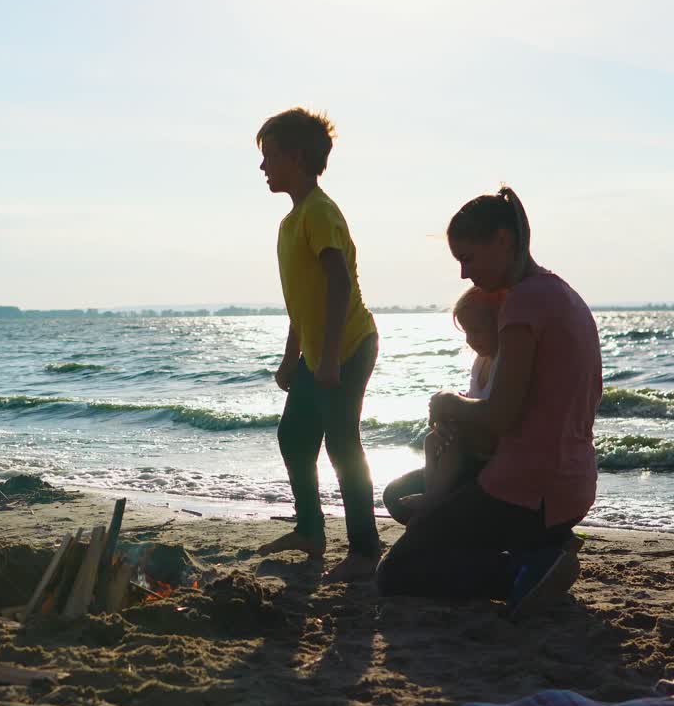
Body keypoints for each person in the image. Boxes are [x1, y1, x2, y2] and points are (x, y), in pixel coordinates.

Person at [375, 186, 602, 620]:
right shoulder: (561, 293)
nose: (463, 273)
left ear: (502, 240)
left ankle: (521, 568)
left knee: (397, 574)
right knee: (403, 494)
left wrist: (447, 403)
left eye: (468, 258)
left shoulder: (524, 303)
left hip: (528, 489)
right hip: (569, 482)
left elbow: (500, 414)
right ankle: (537, 546)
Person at [252, 108, 382, 581]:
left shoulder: (321, 212)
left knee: (342, 444)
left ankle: (365, 550)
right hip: (318, 350)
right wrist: (292, 358)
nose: (263, 167)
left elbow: (338, 282)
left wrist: (327, 357)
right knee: (295, 438)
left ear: (298, 157)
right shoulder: (292, 222)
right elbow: (302, 302)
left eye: (270, 157)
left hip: (347, 344)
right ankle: (310, 530)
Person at [390, 287, 503, 522]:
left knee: (455, 442)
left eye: (477, 331)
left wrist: (457, 412)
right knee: (431, 440)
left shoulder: (505, 362)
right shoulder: (481, 361)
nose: (470, 339)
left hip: (489, 450)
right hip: (471, 442)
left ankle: (433, 499)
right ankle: (433, 492)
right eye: (466, 332)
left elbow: (494, 410)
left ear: (499, 324)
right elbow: (472, 398)